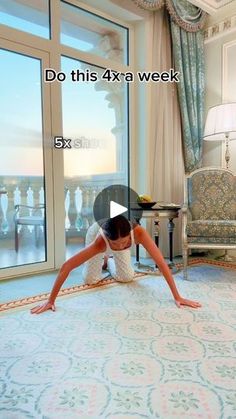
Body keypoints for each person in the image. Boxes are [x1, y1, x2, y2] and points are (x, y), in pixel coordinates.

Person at [31, 215, 201, 314]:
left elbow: (161, 263)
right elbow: (67, 266)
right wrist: (50, 300)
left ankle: (108, 260)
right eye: (116, 244)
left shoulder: (139, 233)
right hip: (98, 234)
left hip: (115, 237)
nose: (120, 247)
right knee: (91, 279)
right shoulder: (100, 242)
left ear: (130, 235)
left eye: (125, 243)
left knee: (126, 277)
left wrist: (177, 297)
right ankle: (100, 259)